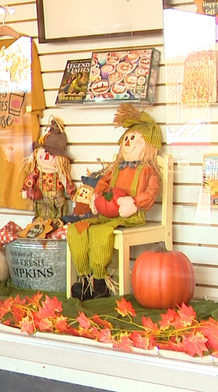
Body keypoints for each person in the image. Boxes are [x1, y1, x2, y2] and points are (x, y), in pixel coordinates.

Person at [67, 104, 163, 301]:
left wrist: (135, 202)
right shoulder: (116, 168)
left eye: (133, 139)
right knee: (77, 228)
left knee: (100, 232)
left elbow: (152, 191)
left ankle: (100, 281)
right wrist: (97, 197)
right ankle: (85, 278)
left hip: (130, 216)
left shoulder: (147, 170)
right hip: (106, 213)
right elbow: (103, 183)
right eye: (126, 138)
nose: (128, 142)